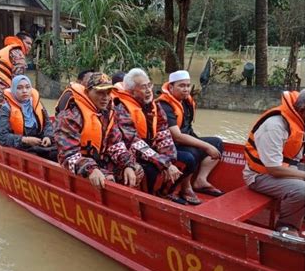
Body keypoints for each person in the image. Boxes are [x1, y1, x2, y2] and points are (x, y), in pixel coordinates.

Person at [55, 72, 144, 189]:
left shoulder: (108, 113)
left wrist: (128, 164)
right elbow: (67, 155)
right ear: (87, 92)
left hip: (101, 162)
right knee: (108, 179)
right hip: (79, 164)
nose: (106, 98)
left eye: (108, 93)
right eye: (100, 93)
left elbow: (115, 145)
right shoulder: (70, 116)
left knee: (137, 170)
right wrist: (91, 169)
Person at [113, 68, 186, 197]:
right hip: (130, 153)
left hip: (151, 151)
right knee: (151, 170)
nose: (148, 90)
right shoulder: (121, 108)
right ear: (131, 91)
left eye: (149, 85)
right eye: (143, 87)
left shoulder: (155, 106)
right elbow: (133, 142)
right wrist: (164, 164)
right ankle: (151, 199)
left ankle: (165, 193)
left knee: (186, 160)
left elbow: (163, 133)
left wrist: (169, 160)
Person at [243, 90, 305, 237]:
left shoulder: (301, 122)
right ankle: (287, 226)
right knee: (304, 190)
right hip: (259, 176)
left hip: (287, 167)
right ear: (303, 110)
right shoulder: (274, 126)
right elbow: (274, 169)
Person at [157, 70, 224, 203]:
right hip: (170, 145)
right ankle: (185, 187)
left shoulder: (186, 102)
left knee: (217, 143)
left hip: (185, 139)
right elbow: (177, 136)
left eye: (188, 85)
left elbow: (188, 129)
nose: (186, 89)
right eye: (181, 86)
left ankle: (200, 180)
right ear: (171, 87)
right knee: (194, 153)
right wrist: (206, 146)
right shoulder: (165, 105)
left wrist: (208, 145)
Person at [0, 31, 33, 132]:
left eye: (31, 44)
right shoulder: (18, 52)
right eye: (27, 43)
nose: (29, 46)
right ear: (20, 41)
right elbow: (19, 82)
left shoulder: (5, 50)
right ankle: (14, 145)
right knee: (12, 118)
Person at [0, 75, 56, 161]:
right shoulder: (6, 109)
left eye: (28, 87)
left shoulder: (37, 104)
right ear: (13, 90)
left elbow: (47, 124)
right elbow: (2, 136)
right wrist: (24, 140)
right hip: (20, 146)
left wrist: (48, 137)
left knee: (58, 152)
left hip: (39, 142)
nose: (24, 91)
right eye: (19, 88)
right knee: (34, 158)